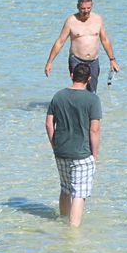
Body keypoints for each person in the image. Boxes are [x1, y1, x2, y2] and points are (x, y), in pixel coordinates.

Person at [45, 58, 103, 227]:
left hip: (61, 151)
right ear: (89, 79)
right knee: (79, 193)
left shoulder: (58, 96)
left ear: (72, 75)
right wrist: (95, 154)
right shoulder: (93, 100)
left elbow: (49, 123)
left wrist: (54, 144)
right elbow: (94, 129)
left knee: (65, 189)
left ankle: (62, 220)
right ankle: (73, 230)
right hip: (82, 153)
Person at [43, 0, 120, 92]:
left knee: (92, 91)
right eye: (83, 8)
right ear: (78, 7)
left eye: (89, 8)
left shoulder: (98, 19)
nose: (86, 11)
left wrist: (112, 59)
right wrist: (49, 62)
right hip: (76, 60)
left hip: (93, 61)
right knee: (79, 89)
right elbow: (60, 42)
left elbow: (105, 40)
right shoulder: (71, 21)